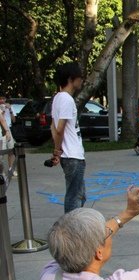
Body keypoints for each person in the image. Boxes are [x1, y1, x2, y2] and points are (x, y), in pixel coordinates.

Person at [49, 63, 86, 214]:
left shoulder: (57, 98)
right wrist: (58, 151)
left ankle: (73, 227)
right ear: (71, 79)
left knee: (80, 196)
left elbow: (52, 126)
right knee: (74, 198)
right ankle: (70, 231)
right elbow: (59, 129)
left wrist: (57, 152)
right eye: (80, 78)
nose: (82, 81)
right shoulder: (66, 99)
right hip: (72, 156)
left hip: (71, 154)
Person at [0, 95, 16, 177]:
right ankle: (1, 172)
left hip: (8, 128)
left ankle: (11, 169)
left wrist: (9, 109)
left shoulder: (9, 107)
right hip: (2, 130)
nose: (2, 100)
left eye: (3, 99)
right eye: (0, 99)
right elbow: (1, 118)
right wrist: (2, 110)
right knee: (1, 153)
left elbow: (14, 120)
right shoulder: (1, 108)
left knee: (11, 150)